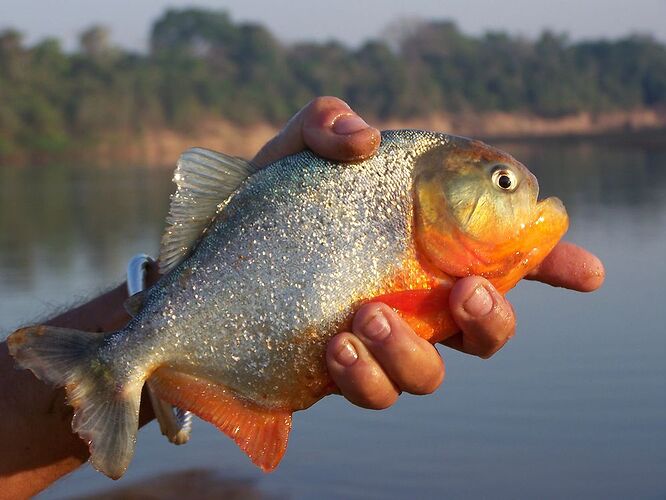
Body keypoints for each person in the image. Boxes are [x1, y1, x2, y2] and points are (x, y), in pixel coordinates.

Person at [0, 97, 604, 498]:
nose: (524, 194)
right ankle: (126, 363)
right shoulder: (385, 175)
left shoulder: (451, 256)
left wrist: (152, 319)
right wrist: (146, 341)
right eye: (503, 184)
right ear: (439, 194)